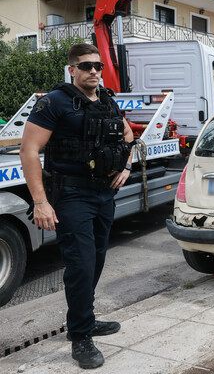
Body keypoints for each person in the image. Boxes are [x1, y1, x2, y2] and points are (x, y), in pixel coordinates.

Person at [20, 43, 134, 369]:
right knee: (81, 264)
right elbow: (29, 151)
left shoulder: (108, 100)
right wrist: (40, 202)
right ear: (72, 70)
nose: (94, 71)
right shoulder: (54, 102)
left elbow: (127, 136)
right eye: (86, 66)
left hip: (103, 195)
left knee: (96, 261)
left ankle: (85, 317)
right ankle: (81, 335)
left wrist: (125, 167)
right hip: (72, 196)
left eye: (97, 65)